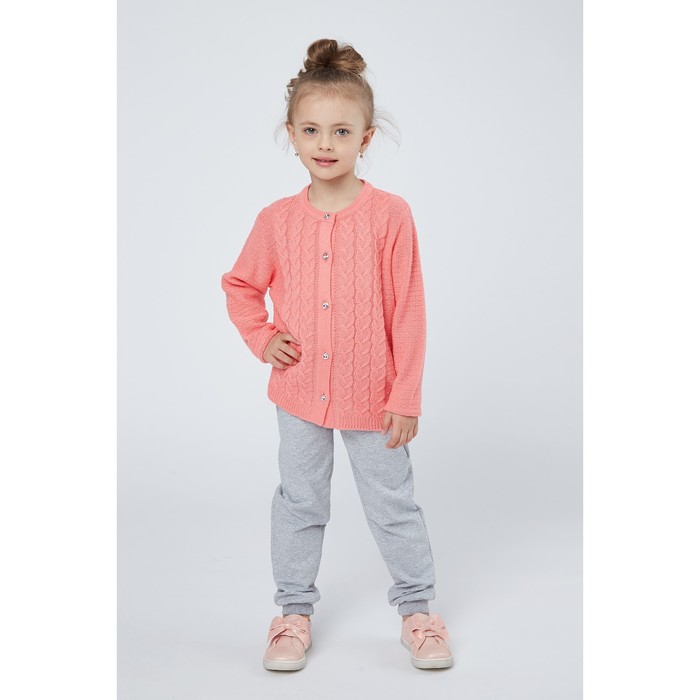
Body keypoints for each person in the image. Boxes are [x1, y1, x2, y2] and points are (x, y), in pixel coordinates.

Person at [220, 38, 453, 672]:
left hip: (375, 398)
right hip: (298, 396)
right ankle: (292, 614)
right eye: (312, 130)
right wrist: (262, 336)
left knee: (393, 505)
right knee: (299, 503)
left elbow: (408, 309)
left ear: (366, 138)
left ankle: (418, 612)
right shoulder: (276, 220)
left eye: (342, 131)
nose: (326, 144)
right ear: (291, 135)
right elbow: (241, 285)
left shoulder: (390, 216)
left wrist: (405, 395)